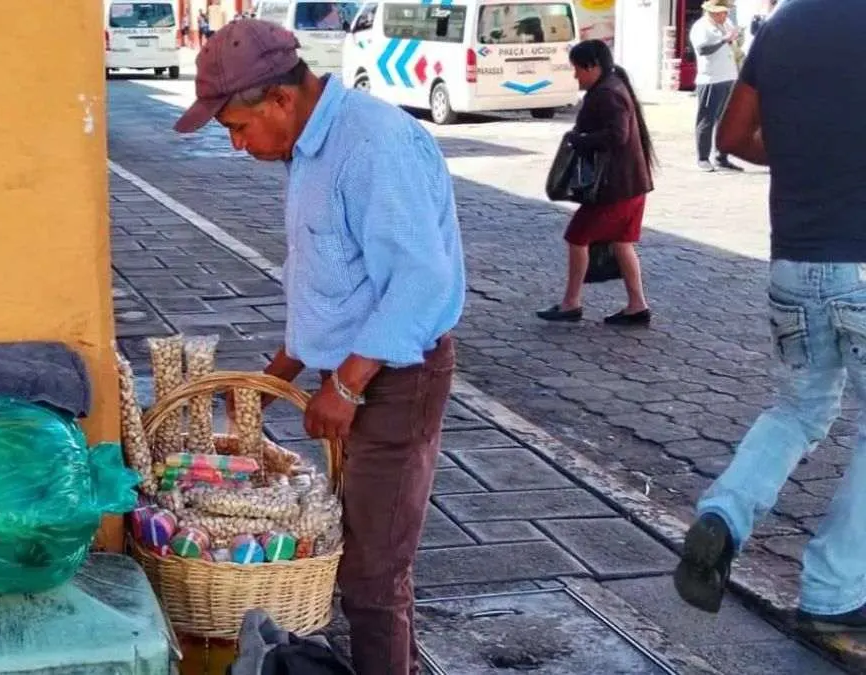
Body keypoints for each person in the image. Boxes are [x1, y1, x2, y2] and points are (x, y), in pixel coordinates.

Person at [173, 19, 466, 675]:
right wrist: (276, 375)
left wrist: (346, 384)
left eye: (238, 129)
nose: (238, 145)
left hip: (399, 375)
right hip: (362, 368)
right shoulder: (309, 149)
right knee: (368, 556)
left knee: (371, 572)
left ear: (279, 99)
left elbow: (421, 284)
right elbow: (335, 284)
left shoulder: (370, 144)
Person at [674, 0, 866, 633]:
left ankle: (723, 518)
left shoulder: (781, 26)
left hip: (795, 262)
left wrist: (807, 162)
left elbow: (731, 137)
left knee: (799, 407)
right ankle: (835, 591)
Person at [536, 39, 656, 326]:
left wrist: (581, 140)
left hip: (614, 187)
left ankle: (571, 302)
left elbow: (618, 135)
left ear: (592, 66)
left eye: (577, 69)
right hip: (632, 184)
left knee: (578, 237)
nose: (575, 75)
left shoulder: (606, 93)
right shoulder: (615, 84)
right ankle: (637, 305)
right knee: (621, 243)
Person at [689, 1, 743, 173]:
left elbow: (733, 44)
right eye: (720, 13)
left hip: (729, 76)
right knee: (707, 119)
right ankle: (703, 158)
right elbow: (703, 49)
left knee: (726, 120)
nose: (724, 16)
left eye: (725, 13)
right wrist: (723, 39)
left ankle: (722, 156)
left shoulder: (726, 24)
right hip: (711, 78)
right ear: (710, 13)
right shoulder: (701, 27)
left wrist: (736, 38)